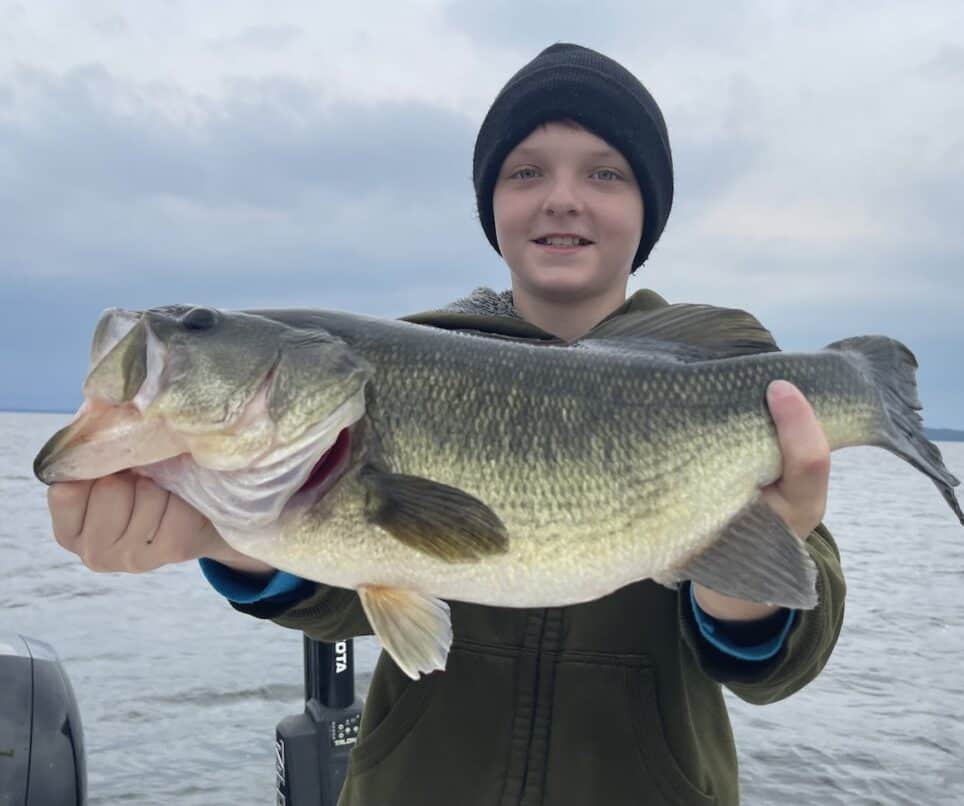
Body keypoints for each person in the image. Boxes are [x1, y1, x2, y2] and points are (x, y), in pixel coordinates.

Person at [47, 43, 845, 806]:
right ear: (491, 203)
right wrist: (218, 538)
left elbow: (780, 665)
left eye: (605, 172)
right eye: (525, 171)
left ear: (650, 208)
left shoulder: (716, 380)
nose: (561, 197)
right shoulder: (406, 359)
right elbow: (350, 598)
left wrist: (745, 566)